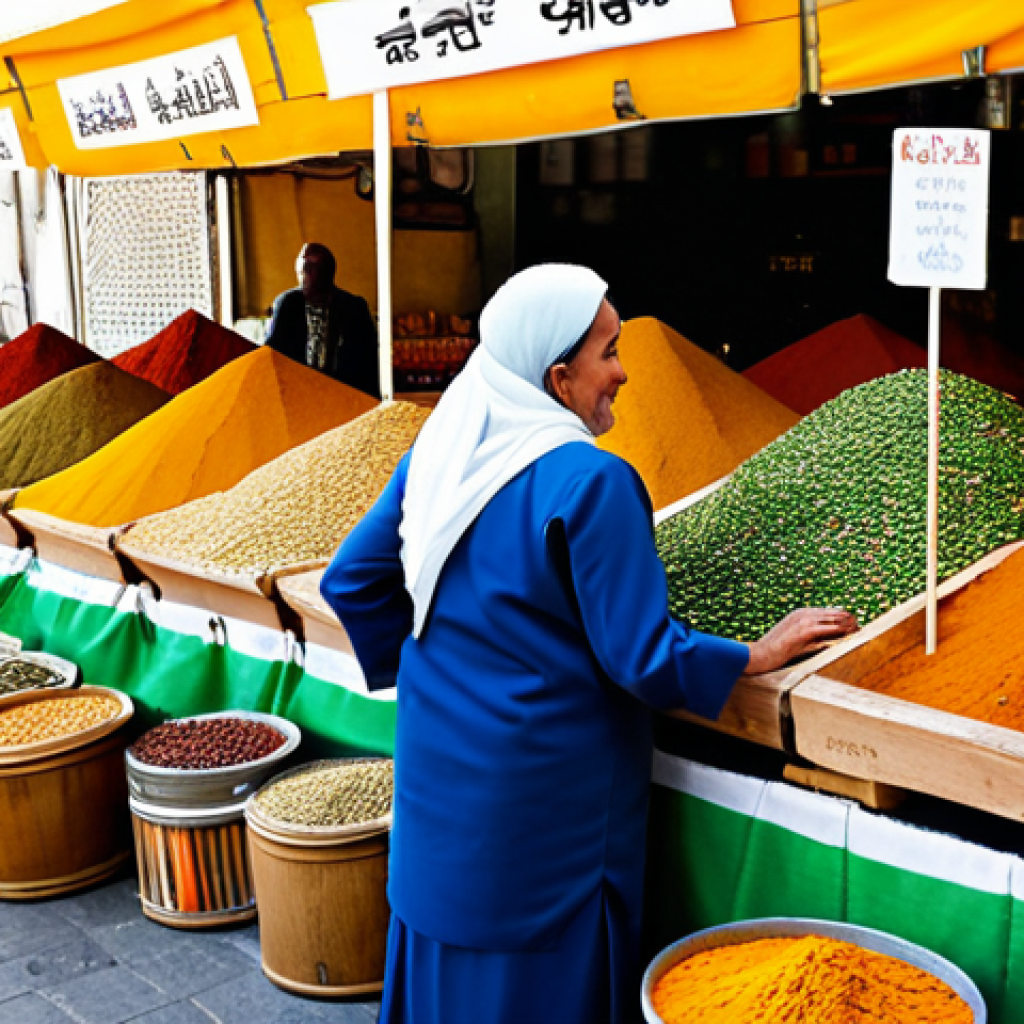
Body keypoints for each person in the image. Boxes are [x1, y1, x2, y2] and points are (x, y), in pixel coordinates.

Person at [321, 265, 857, 1024]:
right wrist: (753, 655)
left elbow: (352, 580)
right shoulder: (592, 481)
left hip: (440, 782)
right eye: (609, 351)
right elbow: (642, 659)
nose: (624, 372)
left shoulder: (440, 457)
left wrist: (433, 664)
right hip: (545, 813)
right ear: (559, 376)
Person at [265, 242, 380, 398]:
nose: (305, 276)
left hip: (342, 395)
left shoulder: (353, 307)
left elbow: (368, 362)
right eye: (303, 270)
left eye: (311, 269)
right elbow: (273, 352)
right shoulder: (287, 304)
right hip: (298, 394)